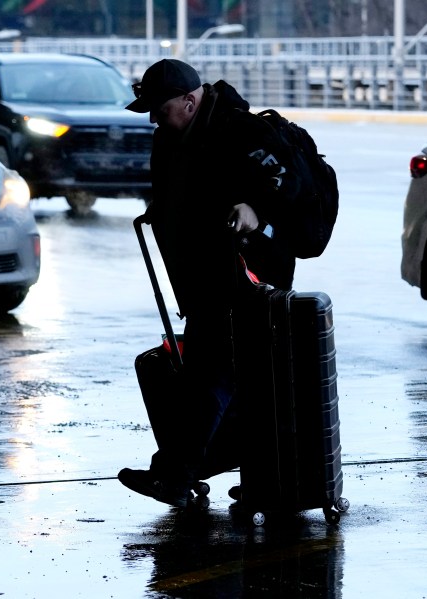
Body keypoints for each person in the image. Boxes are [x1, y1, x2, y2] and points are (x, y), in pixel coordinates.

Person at [117, 58, 298, 507]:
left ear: (189, 100)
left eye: (160, 108)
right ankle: (228, 477)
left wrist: (255, 208)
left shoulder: (240, 131)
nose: (155, 117)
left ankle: (177, 476)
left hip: (248, 278)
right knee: (232, 379)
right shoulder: (171, 137)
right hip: (202, 278)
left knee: (212, 374)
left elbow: (288, 185)